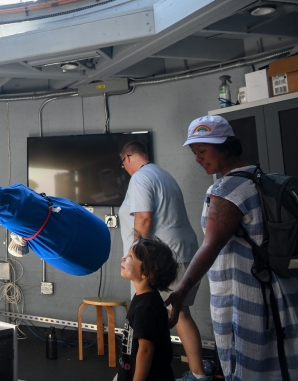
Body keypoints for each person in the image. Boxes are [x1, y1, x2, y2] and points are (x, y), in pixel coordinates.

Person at [166, 115, 298, 380]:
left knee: (247, 368)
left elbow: (210, 246)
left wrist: (182, 290)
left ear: (227, 146)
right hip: (279, 291)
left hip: (246, 299)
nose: (198, 158)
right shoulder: (260, 179)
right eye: (194, 152)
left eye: (202, 150)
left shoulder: (226, 188)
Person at [118, 140, 204, 381]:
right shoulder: (163, 175)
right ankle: (197, 375)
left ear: (127, 158)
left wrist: (136, 255)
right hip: (182, 254)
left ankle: (189, 375)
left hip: (163, 260)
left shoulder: (140, 178)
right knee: (179, 313)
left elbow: (144, 218)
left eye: (123, 163)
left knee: (156, 317)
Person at [118, 235, 178, 381]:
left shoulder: (146, 308)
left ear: (146, 273)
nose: (123, 258)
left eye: (130, 256)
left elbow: (146, 349)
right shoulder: (144, 298)